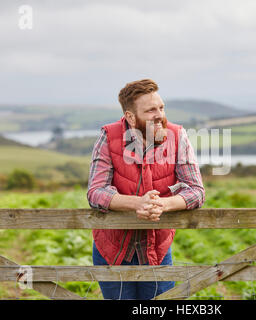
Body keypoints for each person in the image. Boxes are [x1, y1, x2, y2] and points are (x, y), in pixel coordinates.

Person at [87, 79, 205, 300]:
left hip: (157, 249)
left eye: (161, 107)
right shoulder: (108, 135)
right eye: (151, 110)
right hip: (112, 249)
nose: (159, 114)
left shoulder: (177, 135)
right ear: (130, 116)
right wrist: (137, 203)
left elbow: (196, 190)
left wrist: (162, 204)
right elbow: (95, 192)